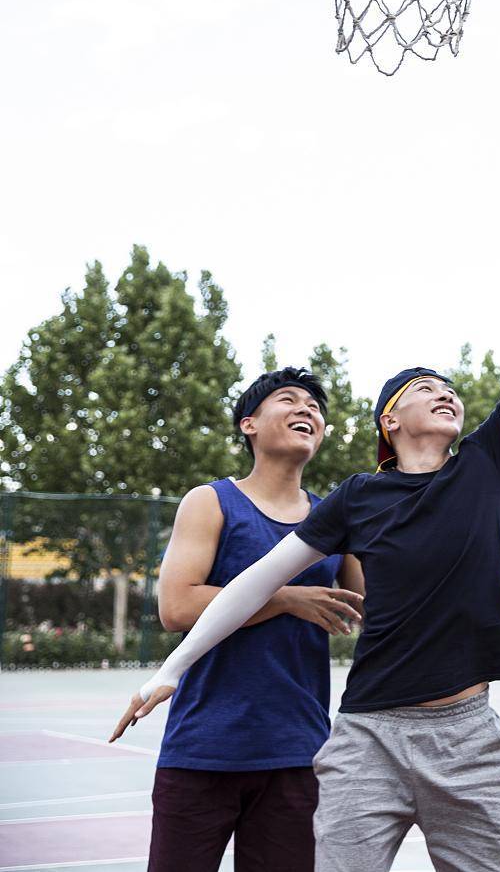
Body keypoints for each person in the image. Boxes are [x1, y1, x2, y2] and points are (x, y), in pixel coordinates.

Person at [112, 154, 500, 872]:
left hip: (468, 732)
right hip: (367, 733)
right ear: (390, 420)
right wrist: (172, 666)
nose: (446, 392)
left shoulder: (486, 465)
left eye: (451, 388)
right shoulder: (357, 497)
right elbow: (256, 581)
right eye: (425, 387)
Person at [148, 367, 365, 872]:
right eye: (289, 400)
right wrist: (285, 598)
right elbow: (176, 607)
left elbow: (371, 605)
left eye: (315, 408)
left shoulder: (336, 518)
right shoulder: (211, 501)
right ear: (249, 424)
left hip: (298, 751)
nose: (306, 409)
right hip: (204, 748)